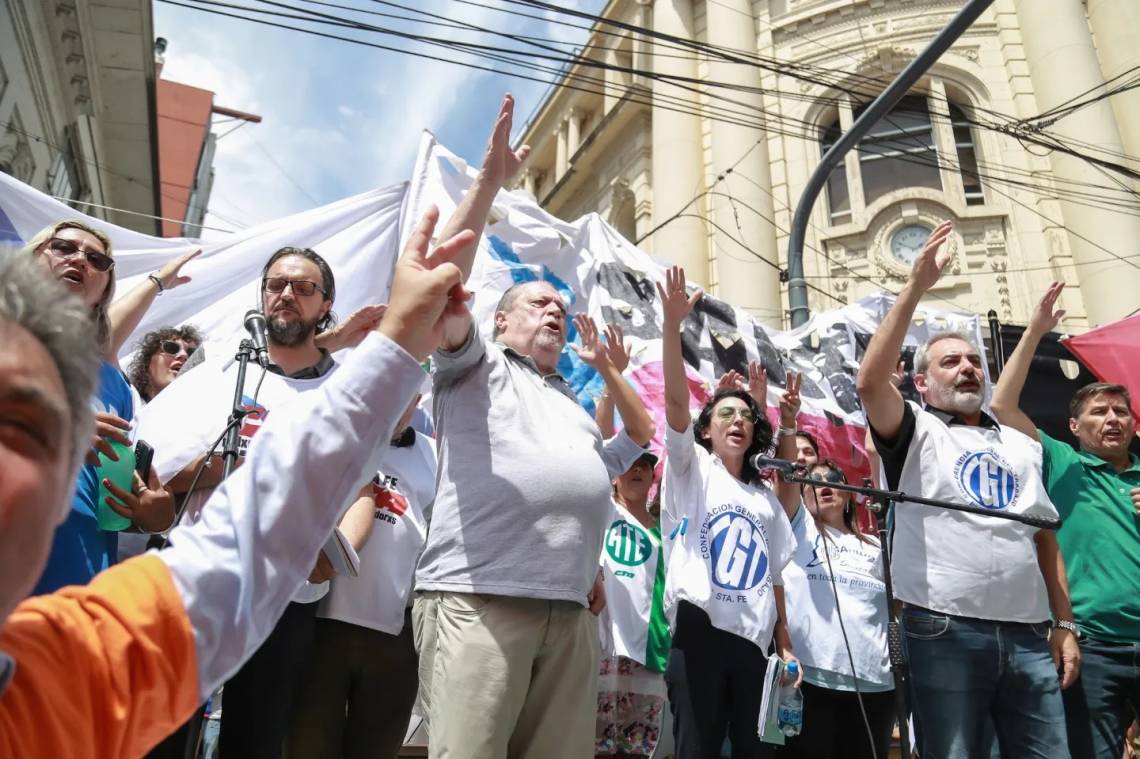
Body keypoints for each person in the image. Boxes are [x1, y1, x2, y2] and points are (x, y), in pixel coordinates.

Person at [0, 204, 471, 757]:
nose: (17, 469)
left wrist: (398, 342)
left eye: (36, 436)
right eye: (275, 284)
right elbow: (178, 480)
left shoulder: (59, 680)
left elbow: (258, 527)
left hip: (283, 607)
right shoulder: (215, 374)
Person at [410, 95, 656, 759]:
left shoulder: (575, 408)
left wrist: (607, 371)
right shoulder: (472, 365)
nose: (555, 309)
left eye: (561, 304)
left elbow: (639, 437)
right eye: (539, 302)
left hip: (570, 613)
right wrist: (490, 182)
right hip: (480, 600)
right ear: (498, 321)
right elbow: (437, 286)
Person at [855, 221, 1079, 758]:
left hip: (1028, 636)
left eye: (974, 360)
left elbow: (1044, 540)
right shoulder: (914, 431)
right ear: (921, 383)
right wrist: (915, 288)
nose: (967, 368)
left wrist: (1064, 623)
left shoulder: (1021, 447)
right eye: (949, 362)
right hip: (943, 631)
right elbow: (868, 382)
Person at [991, 281, 1140, 759]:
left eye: (1122, 411)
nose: (1113, 418)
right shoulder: (1061, 462)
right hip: (1092, 646)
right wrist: (1036, 330)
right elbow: (1002, 407)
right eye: (1100, 412)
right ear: (1074, 428)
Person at [657, 265, 799, 759]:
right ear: (705, 432)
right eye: (725, 414)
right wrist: (671, 327)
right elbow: (675, 403)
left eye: (745, 417)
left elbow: (776, 571)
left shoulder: (762, 496)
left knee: (759, 752)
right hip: (701, 631)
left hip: (755, 645)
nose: (737, 421)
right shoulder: (691, 469)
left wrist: (783, 640)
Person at [285, 389, 437, 759]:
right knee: (306, 748)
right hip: (318, 625)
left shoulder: (435, 454)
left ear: (416, 401)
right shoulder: (333, 440)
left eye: (405, 395)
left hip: (395, 636)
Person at [26, 221, 176, 594]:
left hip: (77, 578)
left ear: (104, 291)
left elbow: (115, 502)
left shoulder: (113, 382)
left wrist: (150, 514)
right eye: (63, 247)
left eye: (96, 259)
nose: (79, 259)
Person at [778, 460, 895, 759]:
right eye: (813, 482)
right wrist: (789, 425)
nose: (824, 485)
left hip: (875, 684)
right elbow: (785, 484)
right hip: (812, 681)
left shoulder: (876, 544)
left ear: (848, 494)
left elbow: (897, 606)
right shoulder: (796, 530)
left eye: (833, 478)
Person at [126, 326, 202, 402]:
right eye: (171, 348)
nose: (184, 355)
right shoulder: (125, 409)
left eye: (191, 353)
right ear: (147, 365)